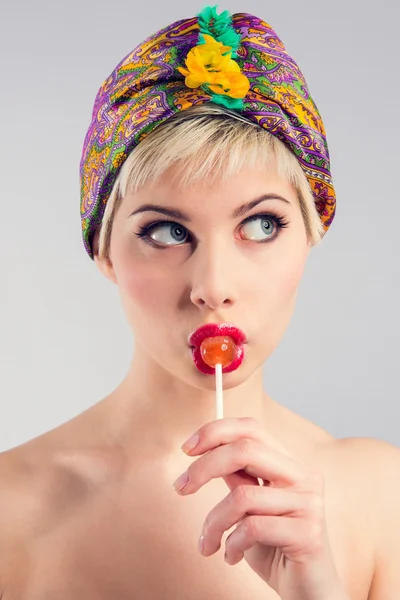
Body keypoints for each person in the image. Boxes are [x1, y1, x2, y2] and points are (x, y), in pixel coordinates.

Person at [0, 5, 399, 600]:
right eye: (165, 231)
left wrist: (319, 590)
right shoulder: (10, 512)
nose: (213, 286)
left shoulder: (382, 493)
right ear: (104, 252)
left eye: (262, 226)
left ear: (312, 234)